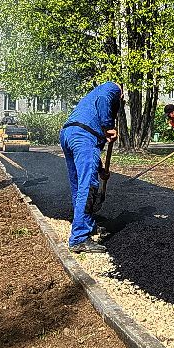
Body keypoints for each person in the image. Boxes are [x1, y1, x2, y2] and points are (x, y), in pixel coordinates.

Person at [60, 81, 122, 254]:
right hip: (82, 136)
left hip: (68, 134)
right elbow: (104, 100)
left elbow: (89, 153)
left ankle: (86, 225)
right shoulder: (112, 89)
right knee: (87, 187)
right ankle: (79, 238)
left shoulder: (91, 98)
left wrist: (101, 169)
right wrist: (109, 127)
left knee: (78, 185)